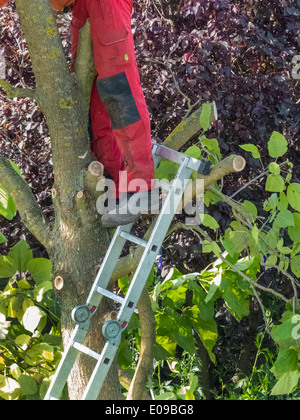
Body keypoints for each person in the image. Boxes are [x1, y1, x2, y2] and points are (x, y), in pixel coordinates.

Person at [71, 0, 159, 227]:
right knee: (93, 106)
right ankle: (115, 190)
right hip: (80, 7)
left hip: (104, 4)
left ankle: (141, 189)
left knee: (120, 91)